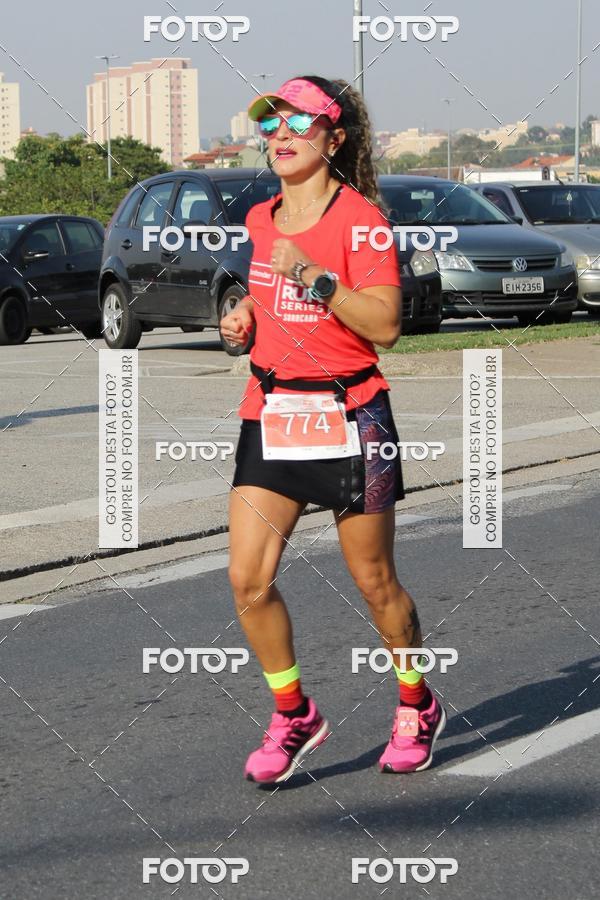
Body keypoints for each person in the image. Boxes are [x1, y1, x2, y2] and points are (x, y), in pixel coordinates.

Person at [220, 75, 446, 784]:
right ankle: (294, 714)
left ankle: (416, 702)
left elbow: (384, 326)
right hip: (273, 414)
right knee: (247, 580)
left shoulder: (362, 221)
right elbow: (268, 301)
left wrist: (316, 276)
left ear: (334, 138)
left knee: (376, 583)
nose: (280, 137)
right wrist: (244, 322)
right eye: (271, 126)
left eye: (298, 124)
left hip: (351, 417)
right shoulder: (260, 219)